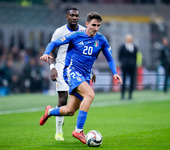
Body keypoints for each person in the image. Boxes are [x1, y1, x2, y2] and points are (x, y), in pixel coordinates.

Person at [39, 12, 122, 144]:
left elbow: (109, 58)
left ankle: (49, 112)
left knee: (70, 110)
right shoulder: (76, 36)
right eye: (93, 25)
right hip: (71, 72)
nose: (96, 28)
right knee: (90, 94)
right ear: (87, 24)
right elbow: (54, 43)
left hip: (84, 76)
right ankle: (78, 130)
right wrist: (46, 53)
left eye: (98, 26)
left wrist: (114, 72)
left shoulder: (101, 39)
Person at [45, 7, 90, 141]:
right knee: (63, 99)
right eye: (72, 15)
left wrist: (91, 70)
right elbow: (50, 50)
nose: (74, 17)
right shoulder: (59, 31)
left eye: (76, 15)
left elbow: (88, 53)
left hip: (78, 70)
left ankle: (57, 113)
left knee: (73, 108)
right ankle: (59, 132)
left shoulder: (83, 31)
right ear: (67, 16)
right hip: (61, 68)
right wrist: (52, 67)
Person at [118, 34, 138, 100]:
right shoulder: (122, 47)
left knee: (132, 81)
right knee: (123, 80)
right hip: (125, 66)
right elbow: (120, 56)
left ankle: (130, 95)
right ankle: (122, 95)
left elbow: (136, 56)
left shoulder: (134, 47)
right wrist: (122, 63)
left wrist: (134, 63)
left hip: (132, 66)